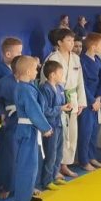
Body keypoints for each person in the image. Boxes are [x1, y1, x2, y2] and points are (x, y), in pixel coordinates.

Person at [41, 29, 86, 179]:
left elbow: (80, 81)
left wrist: (81, 102)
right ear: (59, 42)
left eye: (73, 40)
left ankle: (65, 164)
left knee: (72, 133)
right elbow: (45, 82)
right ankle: (56, 167)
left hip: (72, 97)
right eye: (68, 40)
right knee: (60, 137)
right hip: (57, 100)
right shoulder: (52, 58)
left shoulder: (76, 58)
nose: (72, 43)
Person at [13, 56, 52, 201]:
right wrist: (45, 127)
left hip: (31, 129)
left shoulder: (27, 86)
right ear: (28, 71)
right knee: (27, 165)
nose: (37, 72)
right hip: (27, 130)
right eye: (35, 69)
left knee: (33, 164)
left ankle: (27, 193)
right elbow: (33, 110)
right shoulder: (24, 89)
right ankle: (21, 199)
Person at [0, 38, 24, 198]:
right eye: (19, 52)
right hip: (1, 121)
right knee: (5, 154)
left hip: (15, 120)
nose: (21, 55)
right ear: (8, 54)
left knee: (16, 154)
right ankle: (3, 185)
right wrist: (1, 113)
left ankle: (14, 184)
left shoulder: (16, 70)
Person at [38, 60, 68, 191]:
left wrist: (67, 106)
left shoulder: (60, 88)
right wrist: (60, 108)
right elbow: (45, 110)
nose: (62, 76)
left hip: (59, 124)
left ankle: (55, 175)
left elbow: (62, 103)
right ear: (52, 75)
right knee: (51, 154)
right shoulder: (45, 89)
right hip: (50, 125)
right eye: (60, 73)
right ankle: (47, 180)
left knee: (59, 153)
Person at [78, 33, 101, 171]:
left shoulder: (98, 59)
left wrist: (99, 97)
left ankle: (92, 156)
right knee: (86, 131)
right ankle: (83, 160)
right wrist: (92, 100)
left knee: (94, 130)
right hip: (87, 100)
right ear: (93, 46)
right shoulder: (81, 61)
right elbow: (81, 84)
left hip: (96, 99)